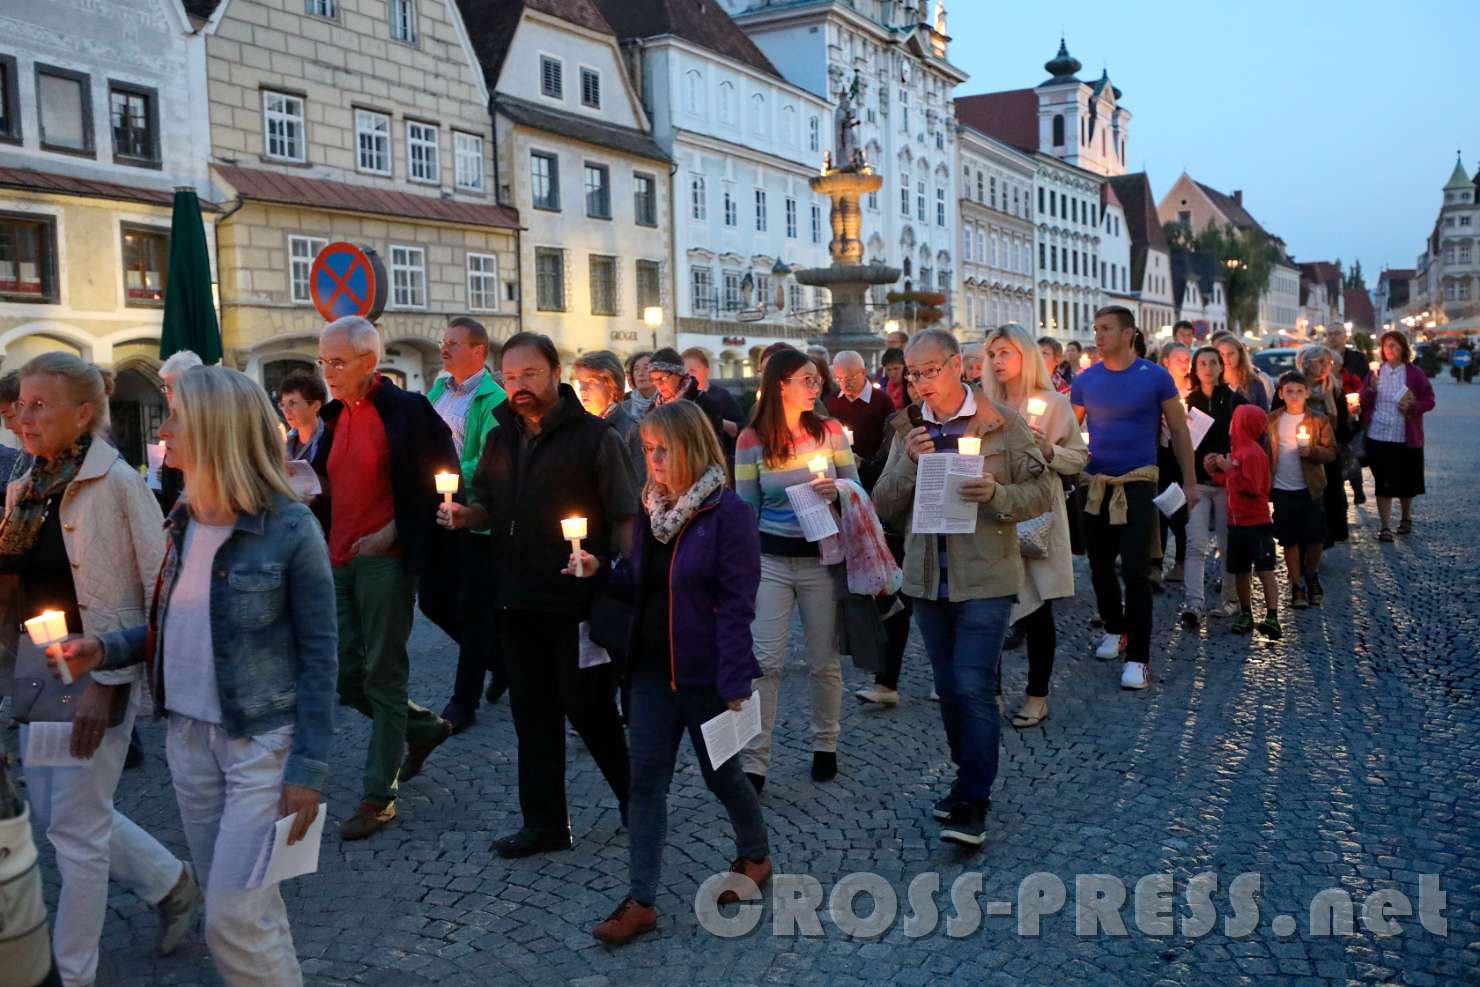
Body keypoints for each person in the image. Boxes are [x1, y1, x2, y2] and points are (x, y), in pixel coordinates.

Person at [56, 366, 336, 986]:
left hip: (260, 744)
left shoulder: (290, 528)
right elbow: (174, 627)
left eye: (177, 418)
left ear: (215, 430)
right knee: (250, 913)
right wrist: (103, 648)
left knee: (232, 919)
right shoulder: (183, 518)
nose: (164, 430)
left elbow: (321, 657)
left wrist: (308, 770)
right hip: (188, 739)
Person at [0, 353, 199, 987]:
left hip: (98, 668)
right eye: (21, 404)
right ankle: (171, 883)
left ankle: (74, 973)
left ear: (83, 413)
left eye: (40, 405)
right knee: (58, 813)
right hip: (39, 662)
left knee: (76, 831)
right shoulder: (26, 482)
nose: (24, 417)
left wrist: (110, 685)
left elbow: (160, 589)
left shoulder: (117, 483)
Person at [572, 401, 770, 946]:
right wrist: (600, 569)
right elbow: (640, 582)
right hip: (650, 672)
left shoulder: (728, 514)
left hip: (705, 675)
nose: (653, 460)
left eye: (663, 449)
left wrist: (735, 680)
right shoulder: (651, 510)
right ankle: (641, 900)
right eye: (648, 449)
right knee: (646, 784)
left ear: (692, 447)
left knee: (722, 775)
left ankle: (755, 855)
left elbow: (737, 604)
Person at [438, 332, 637, 858]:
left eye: (529, 374)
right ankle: (545, 823)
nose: (519, 386)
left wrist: (618, 576)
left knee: (591, 711)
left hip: (575, 600)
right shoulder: (501, 435)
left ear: (555, 373)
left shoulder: (595, 438)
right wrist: (465, 515)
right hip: (516, 597)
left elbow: (625, 515)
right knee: (532, 717)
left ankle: (638, 801)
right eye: (510, 377)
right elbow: (486, 502)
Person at [872, 329, 1053, 846]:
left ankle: (975, 799)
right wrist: (909, 462)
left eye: (929, 371)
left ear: (956, 365)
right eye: (912, 374)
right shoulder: (908, 428)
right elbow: (882, 504)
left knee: (973, 686)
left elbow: (1042, 492)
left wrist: (996, 494)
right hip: (929, 581)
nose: (920, 383)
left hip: (986, 578)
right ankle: (963, 779)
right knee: (950, 689)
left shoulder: (1001, 423)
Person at [312, 316, 457, 840]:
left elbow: (444, 477)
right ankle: (424, 727)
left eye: (337, 362)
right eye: (323, 361)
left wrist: (393, 530)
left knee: (383, 674)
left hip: (385, 559)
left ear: (370, 362)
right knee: (345, 675)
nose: (328, 372)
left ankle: (379, 795)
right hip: (338, 559)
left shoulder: (407, 410)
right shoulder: (334, 415)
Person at [735, 348, 857, 789]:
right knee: (765, 663)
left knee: (823, 661)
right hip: (770, 561)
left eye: (817, 379)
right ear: (780, 384)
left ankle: (826, 743)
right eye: (807, 379)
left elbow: (856, 489)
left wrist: (837, 490)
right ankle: (755, 761)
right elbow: (745, 509)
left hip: (821, 560)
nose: (816, 386)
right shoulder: (750, 440)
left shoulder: (829, 431)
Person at [1071, 307, 1198, 691]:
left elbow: (1179, 429)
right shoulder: (1085, 380)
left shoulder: (1155, 376)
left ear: (1129, 333)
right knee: (1098, 566)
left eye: (1106, 328)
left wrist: (1190, 481)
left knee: (1136, 571)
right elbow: (1069, 430)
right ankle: (1115, 627)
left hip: (1139, 483)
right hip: (1096, 485)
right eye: (1095, 328)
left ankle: (1139, 658)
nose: (1098, 335)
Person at [982, 324, 1086, 729]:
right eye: (993, 354)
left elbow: (1079, 458)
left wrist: (1048, 448)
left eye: (1005, 352)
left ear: (1025, 356)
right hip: (992, 516)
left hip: (1036, 518)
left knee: (1038, 609)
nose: (997, 361)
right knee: (988, 608)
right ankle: (988, 692)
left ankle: (1037, 695)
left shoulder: (1053, 403)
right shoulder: (984, 403)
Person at [427, 317, 509, 734]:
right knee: (433, 601)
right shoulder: (438, 391)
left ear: (478, 350)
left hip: (476, 514)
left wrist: (453, 476)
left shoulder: (494, 398)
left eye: (454, 343)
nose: (445, 348)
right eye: (444, 342)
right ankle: (501, 660)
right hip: (436, 510)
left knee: (474, 608)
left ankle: (464, 701)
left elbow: (490, 457)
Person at [1180, 346, 1246, 627]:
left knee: (1226, 543)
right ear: (1195, 370)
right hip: (1197, 482)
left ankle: (1230, 600)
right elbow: (1181, 443)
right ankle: (1194, 603)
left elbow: (1246, 440)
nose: (1207, 368)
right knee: (1195, 544)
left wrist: (1222, 460)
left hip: (1225, 483)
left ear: (1221, 367)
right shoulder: (1188, 402)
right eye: (1202, 363)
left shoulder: (1234, 400)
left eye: (1212, 363)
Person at [1205, 405, 1283, 639]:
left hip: (1256, 523)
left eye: (1235, 420)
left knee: (1265, 570)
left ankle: (1272, 616)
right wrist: (1215, 473)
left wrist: (1228, 469)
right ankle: (1246, 612)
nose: (1231, 424)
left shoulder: (1252, 453)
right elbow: (1232, 482)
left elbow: (1253, 487)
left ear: (1243, 424)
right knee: (1240, 570)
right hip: (1236, 523)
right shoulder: (1237, 451)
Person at [1267, 370, 1337, 608]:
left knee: (1316, 536)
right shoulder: (1272, 420)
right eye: (1289, 391)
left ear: (1307, 392)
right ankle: (1297, 584)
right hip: (1282, 488)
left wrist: (1312, 452)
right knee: (1289, 539)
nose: (1294, 396)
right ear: (1281, 394)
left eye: (1299, 391)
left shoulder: (1318, 420)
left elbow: (1331, 452)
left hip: (1310, 488)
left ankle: (1311, 572)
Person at [1359, 330, 1435, 542]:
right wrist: (1370, 390)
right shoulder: (1375, 373)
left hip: (1405, 436)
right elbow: (1363, 399)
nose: (1389, 349)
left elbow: (1429, 400)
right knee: (1383, 482)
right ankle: (1385, 526)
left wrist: (1413, 407)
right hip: (1378, 434)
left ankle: (1405, 517)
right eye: (1386, 345)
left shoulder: (1414, 374)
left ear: (1403, 347)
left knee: (1406, 482)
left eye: (1393, 344)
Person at [1294, 344, 1352, 547]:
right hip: (1299, 455)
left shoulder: (1335, 390)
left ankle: (1323, 543)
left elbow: (1345, 430)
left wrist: (1340, 418)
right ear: (1306, 364)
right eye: (1320, 362)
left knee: (1329, 498)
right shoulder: (1295, 387)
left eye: (1329, 362)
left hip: (1327, 455)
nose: (1326, 366)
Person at [573, 350, 646, 487]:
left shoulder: (633, 430)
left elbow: (638, 487)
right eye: (581, 382)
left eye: (590, 381)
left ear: (612, 386)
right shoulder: (577, 428)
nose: (582, 389)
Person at [1153, 342, 1193, 587]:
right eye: (1178, 358)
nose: (1184, 363)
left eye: (1187, 358)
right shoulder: (1157, 387)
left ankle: (1181, 562)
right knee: (1159, 506)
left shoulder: (1194, 388)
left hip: (1187, 452)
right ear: (1166, 360)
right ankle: (1155, 564)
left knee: (1180, 509)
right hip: (1162, 452)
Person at [1324, 324, 1370, 505]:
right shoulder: (1322, 356)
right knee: (1337, 452)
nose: (1333, 337)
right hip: (1331, 411)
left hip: (1353, 412)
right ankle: (1339, 490)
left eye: (1337, 333)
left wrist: (1360, 404)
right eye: (1329, 334)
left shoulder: (1357, 358)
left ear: (1345, 336)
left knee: (1351, 452)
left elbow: (1365, 384)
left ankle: (1356, 486)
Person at [826, 350, 895, 462]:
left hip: (874, 467)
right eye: (840, 379)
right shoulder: (831, 401)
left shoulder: (882, 401)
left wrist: (866, 462)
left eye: (850, 378)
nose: (845, 384)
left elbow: (891, 442)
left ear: (863, 372)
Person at [683, 348, 746, 465]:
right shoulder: (680, 399)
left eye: (692, 370)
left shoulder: (721, 396)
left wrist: (716, 421)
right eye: (684, 372)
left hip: (719, 460)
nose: (688, 376)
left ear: (706, 371)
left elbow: (742, 428)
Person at [1213, 333, 1270, 410]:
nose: (1226, 358)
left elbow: (1264, 413)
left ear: (1240, 354)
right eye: (1222, 354)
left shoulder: (1254, 383)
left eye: (1231, 353)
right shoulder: (1212, 382)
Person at [279, 373, 327, 462]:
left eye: (293, 403)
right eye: (283, 405)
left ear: (316, 406)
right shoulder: (284, 443)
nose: (286, 410)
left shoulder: (331, 442)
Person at [621, 351, 657, 419]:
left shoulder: (669, 403)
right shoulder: (624, 408)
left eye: (646, 368)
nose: (641, 373)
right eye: (636, 369)